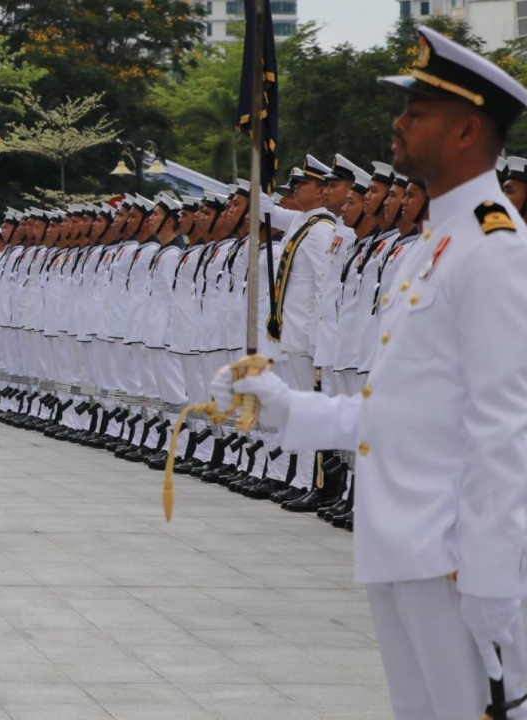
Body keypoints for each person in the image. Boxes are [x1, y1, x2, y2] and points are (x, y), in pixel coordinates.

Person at [212, 26, 527, 719]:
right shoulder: (429, 248)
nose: (398, 123)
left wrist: (492, 577)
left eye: (418, 113)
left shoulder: (493, 248)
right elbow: (394, 411)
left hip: (451, 558)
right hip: (399, 543)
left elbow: (504, 426)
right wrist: (283, 406)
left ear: (468, 130)